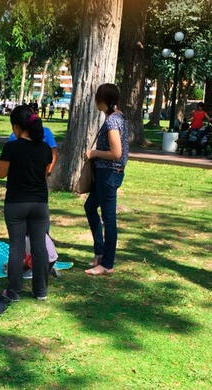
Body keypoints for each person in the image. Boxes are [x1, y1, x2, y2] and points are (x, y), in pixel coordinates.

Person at [0, 105, 52, 301]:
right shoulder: (45, 148)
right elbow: (45, 174)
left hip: (16, 203)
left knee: (17, 246)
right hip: (39, 203)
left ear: (18, 127)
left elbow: (0, 173)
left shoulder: (12, 147)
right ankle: (41, 291)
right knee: (39, 246)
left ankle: (13, 291)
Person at [84, 83, 129, 276]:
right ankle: (100, 252)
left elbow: (116, 153)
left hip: (109, 173)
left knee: (109, 219)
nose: (95, 101)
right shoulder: (117, 118)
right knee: (90, 207)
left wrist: (94, 153)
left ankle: (107, 263)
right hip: (106, 173)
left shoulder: (112, 122)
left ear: (102, 101)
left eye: (97, 98)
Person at [7, 111, 59, 176]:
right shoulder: (14, 135)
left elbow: (54, 152)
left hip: (38, 175)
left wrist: (49, 170)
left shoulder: (46, 132)